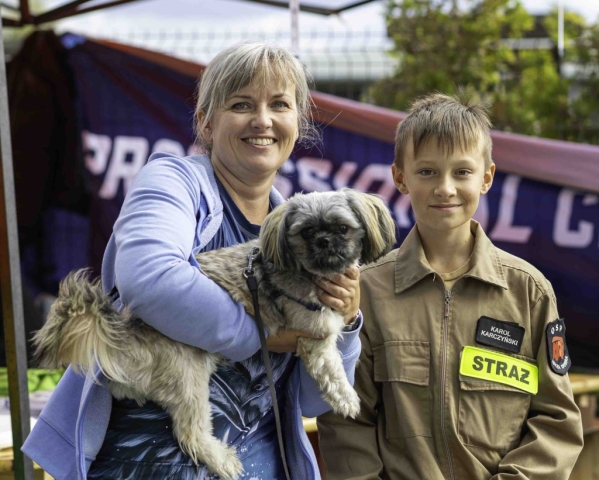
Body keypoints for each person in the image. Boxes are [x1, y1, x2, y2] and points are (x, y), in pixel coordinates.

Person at [23, 42, 363, 480]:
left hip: (259, 467)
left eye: (279, 104)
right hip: (149, 465)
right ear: (205, 121)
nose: (263, 120)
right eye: (241, 104)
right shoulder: (174, 181)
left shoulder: (297, 229)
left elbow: (313, 402)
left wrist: (346, 321)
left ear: (298, 123)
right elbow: (148, 278)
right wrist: (261, 333)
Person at [317, 93, 584, 479]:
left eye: (462, 172)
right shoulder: (368, 291)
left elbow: (556, 419)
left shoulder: (529, 292)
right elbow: (346, 417)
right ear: (400, 177)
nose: (445, 188)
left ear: (487, 177)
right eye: (427, 171)